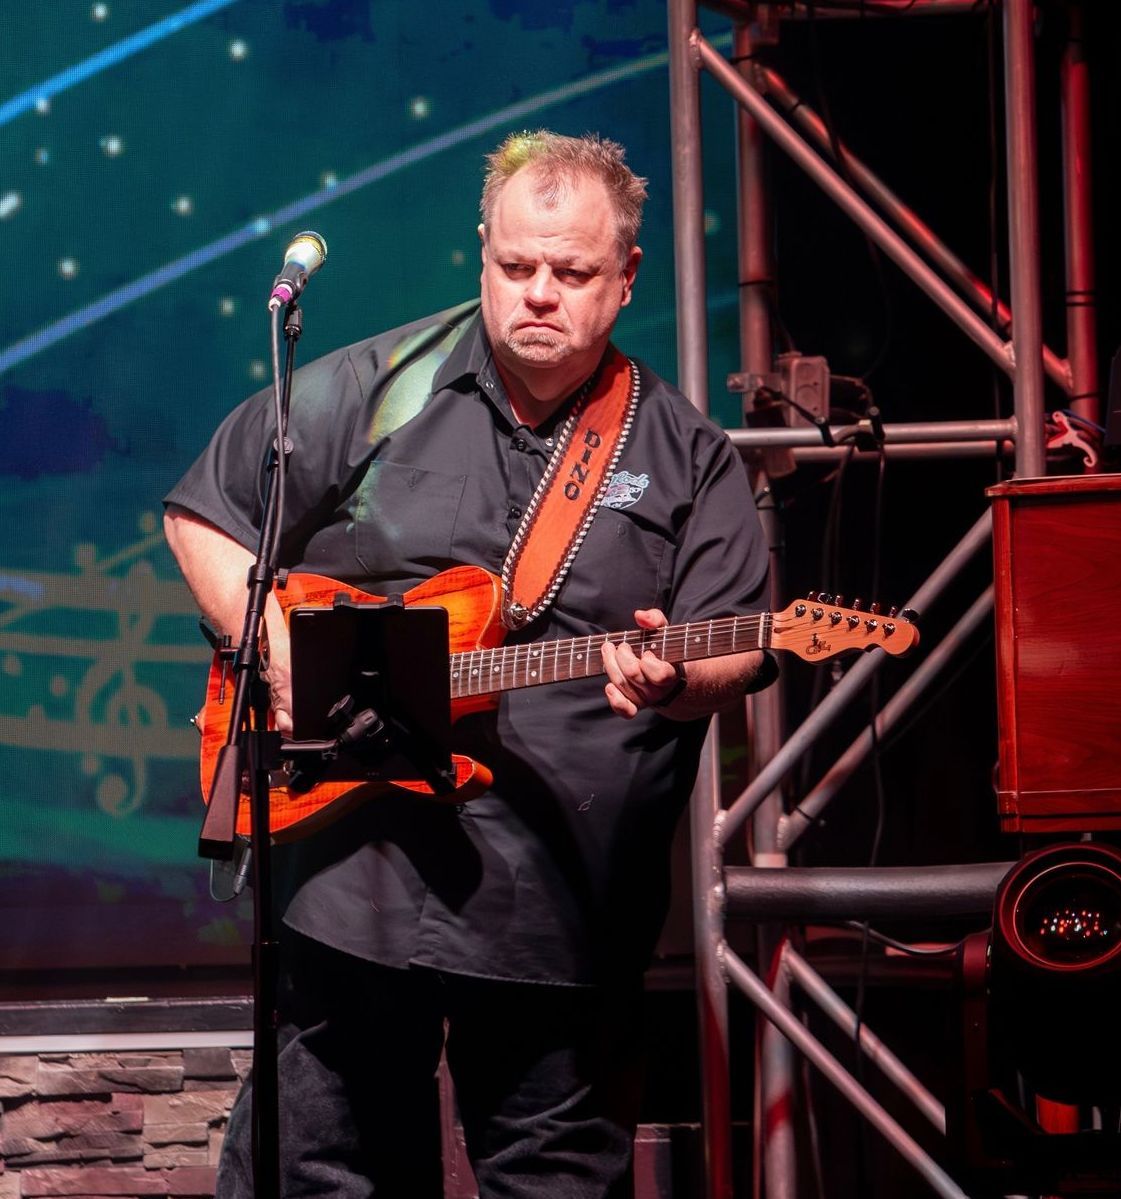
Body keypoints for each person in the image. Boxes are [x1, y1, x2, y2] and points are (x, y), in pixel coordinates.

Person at [164, 130, 773, 1198]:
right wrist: (276, 657)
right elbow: (202, 516)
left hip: (564, 913)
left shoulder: (685, 454)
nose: (538, 293)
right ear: (482, 254)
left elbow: (745, 639)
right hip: (354, 885)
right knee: (326, 1176)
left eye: (571, 273)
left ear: (625, 278)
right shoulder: (375, 386)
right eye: (514, 266)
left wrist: (680, 680)